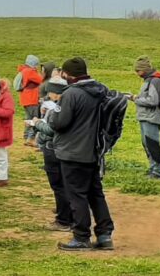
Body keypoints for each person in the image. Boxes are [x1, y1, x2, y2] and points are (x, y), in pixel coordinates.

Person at [44, 57, 115, 251]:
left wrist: (50, 113)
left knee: (77, 195)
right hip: (92, 150)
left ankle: (81, 237)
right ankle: (104, 235)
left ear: (68, 74)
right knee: (95, 194)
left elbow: (60, 123)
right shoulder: (100, 90)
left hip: (72, 151)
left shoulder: (72, 93)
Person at [31, 77, 73, 232]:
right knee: (66, 184)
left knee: (58, 186)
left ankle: (64, 220)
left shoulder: (57, 108)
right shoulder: (69, 104)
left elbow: (51, 130)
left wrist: (37, 123)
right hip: (66, 149)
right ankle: (70, 216)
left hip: (53, 149)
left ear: (54, 92)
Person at [130, 56, 160, 180]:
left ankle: (158, 172)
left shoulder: (155, 81)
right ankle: (153, 169)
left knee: (152, 145)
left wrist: (136, 99)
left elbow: (153, 100)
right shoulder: (148, 80)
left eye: (138, 71)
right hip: (145, 117)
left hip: (151, 117)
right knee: (147, 144)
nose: (137, 73)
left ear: (144, 69)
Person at [18, 55, 45, 147]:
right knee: (34, 118)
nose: (37, 66)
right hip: (32, 98)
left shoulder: (23, 70)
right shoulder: (30, 72)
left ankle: (26, 137)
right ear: (33, 64)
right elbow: (41, 80)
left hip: (25, 99)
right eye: (36, 64)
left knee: (28, 118)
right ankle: (31, 138)